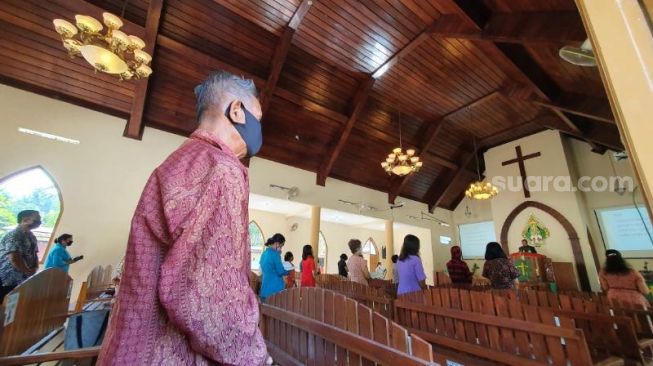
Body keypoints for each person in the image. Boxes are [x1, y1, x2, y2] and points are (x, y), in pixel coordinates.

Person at [98, 71, 270, 365]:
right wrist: (254, 356)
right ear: (237, 111)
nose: (260, 131)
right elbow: (211, 293)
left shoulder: (181, 160)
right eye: (258, 117)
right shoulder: (221, 168)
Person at [0, 210, 41, 302]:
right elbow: (14, 258)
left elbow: (34, 254)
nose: (39, 222)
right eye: (37, 219)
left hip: (22, 279)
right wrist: (26, 271)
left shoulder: (31, 236)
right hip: (7, 277)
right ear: (25, 219)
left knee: (13, 306)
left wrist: (35, 268)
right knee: (3, 303)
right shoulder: (14, 235)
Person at [259, 234, 288, 301]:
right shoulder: (275, 254)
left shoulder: (264, 253)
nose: (281, 248)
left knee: (264, 310)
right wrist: (287, 272)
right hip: (275, 290)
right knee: (276, 311)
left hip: (264, 289)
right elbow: (280, 271)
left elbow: (262, 268)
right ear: (277, 243)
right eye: (281, 245)